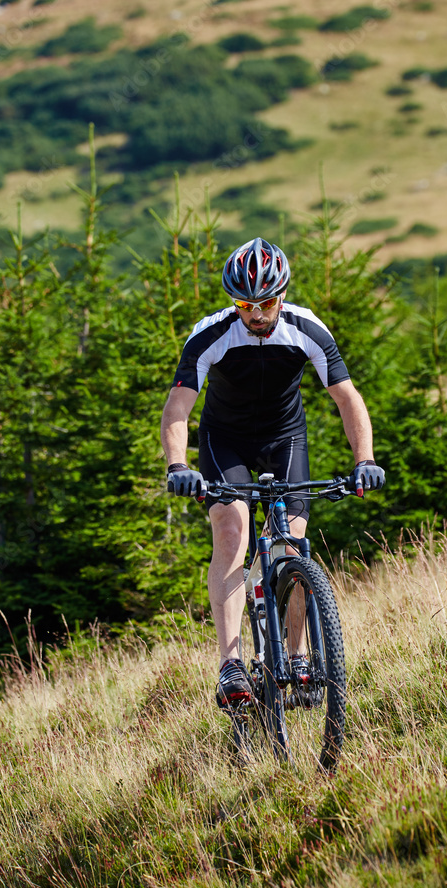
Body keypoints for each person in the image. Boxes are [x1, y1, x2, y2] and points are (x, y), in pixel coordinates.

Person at [160, 238, 384, 709]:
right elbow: (178, 408)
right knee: (231, 533)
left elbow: (348, 398)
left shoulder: (307, 329)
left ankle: (299, 655)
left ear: (281, 295)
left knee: (292, 541)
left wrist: (364, 459)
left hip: (285, 439)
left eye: (265, 303)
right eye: (245, 304)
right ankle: (231, 664)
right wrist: (177, 465)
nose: (256, 314)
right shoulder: (211, 334)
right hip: (227, 441)